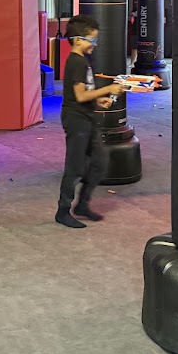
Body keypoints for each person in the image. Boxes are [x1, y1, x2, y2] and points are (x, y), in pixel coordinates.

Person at [56, 15, 124, 228]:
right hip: (76, 120)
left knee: (99, 162)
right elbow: (79, 96)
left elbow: (84, 94)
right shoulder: (76, 62)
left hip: (87, 117)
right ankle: (63, 211)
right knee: (75, 167)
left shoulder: (82, 61)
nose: (95, 44)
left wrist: (98, 101)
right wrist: (108, 89)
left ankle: (82, 204)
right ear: (78, 40)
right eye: (92, 40)